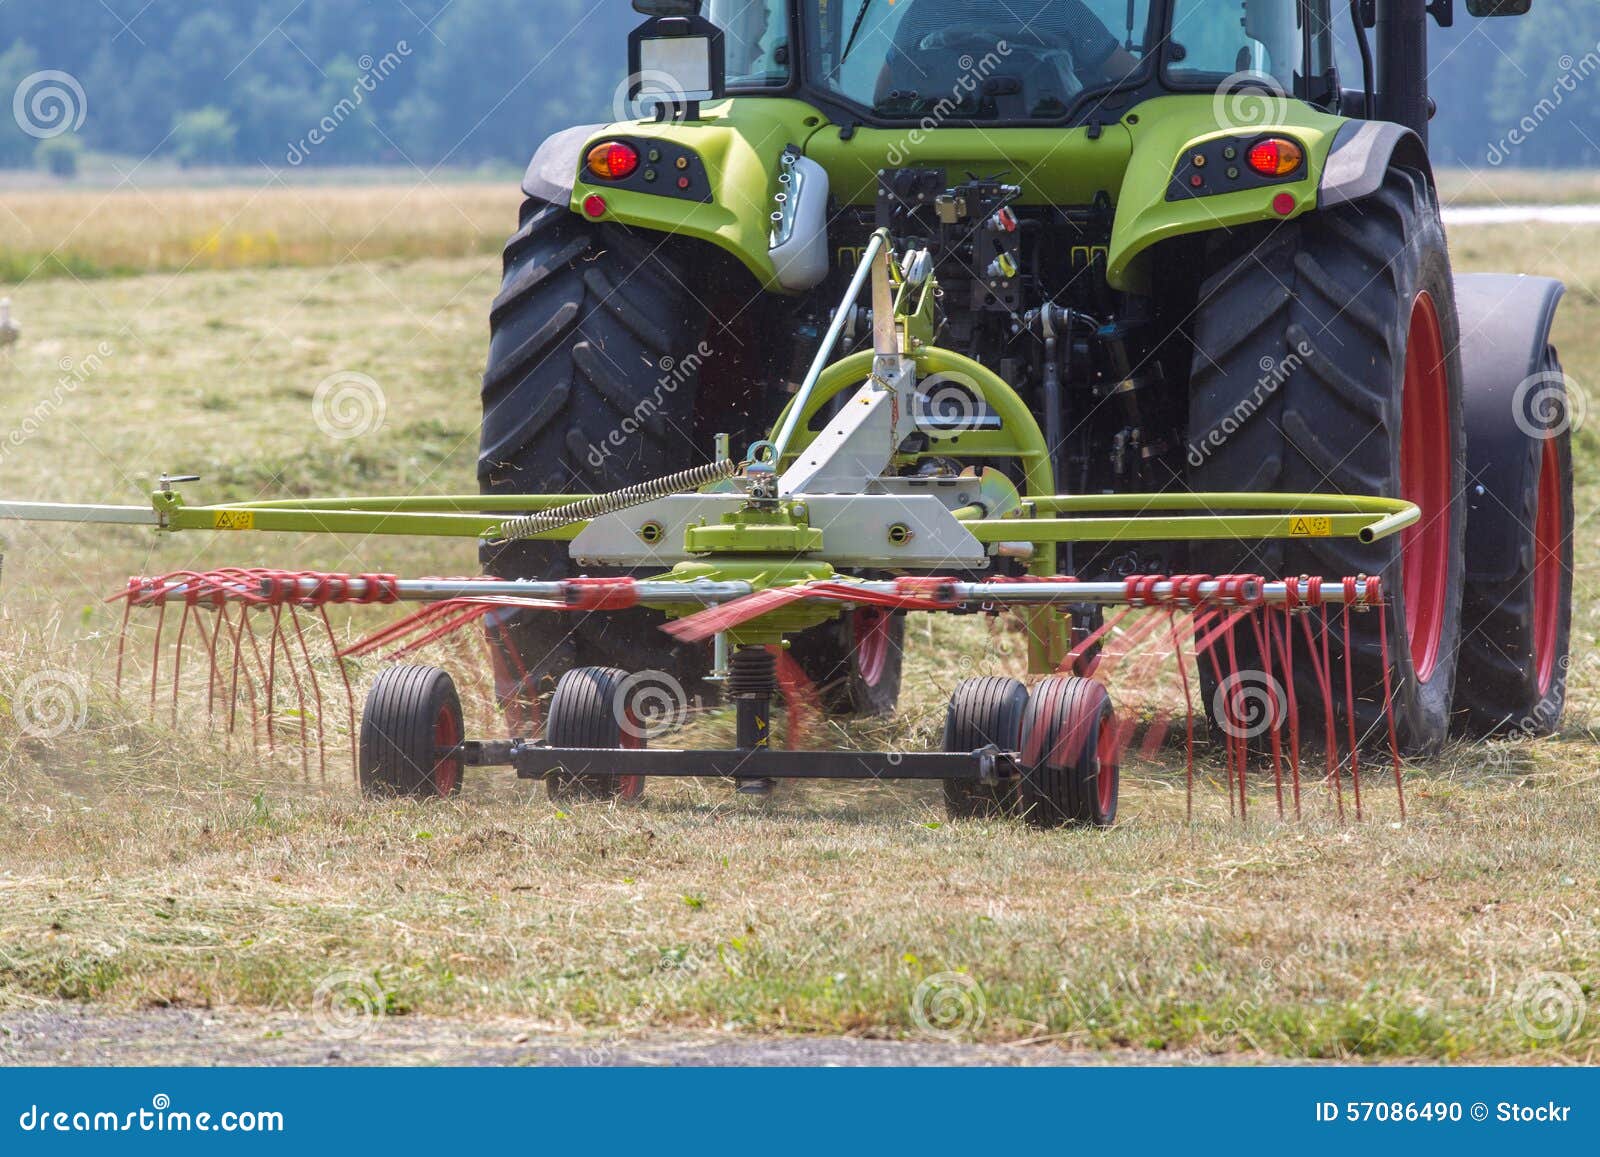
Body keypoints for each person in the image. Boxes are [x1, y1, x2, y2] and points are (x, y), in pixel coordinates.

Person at [876, 0, 1140, 104]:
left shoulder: (922, 13)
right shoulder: (1060, 8)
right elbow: (1137, 78)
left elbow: (881, 98)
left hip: (932, 147)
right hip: (1058, 144)